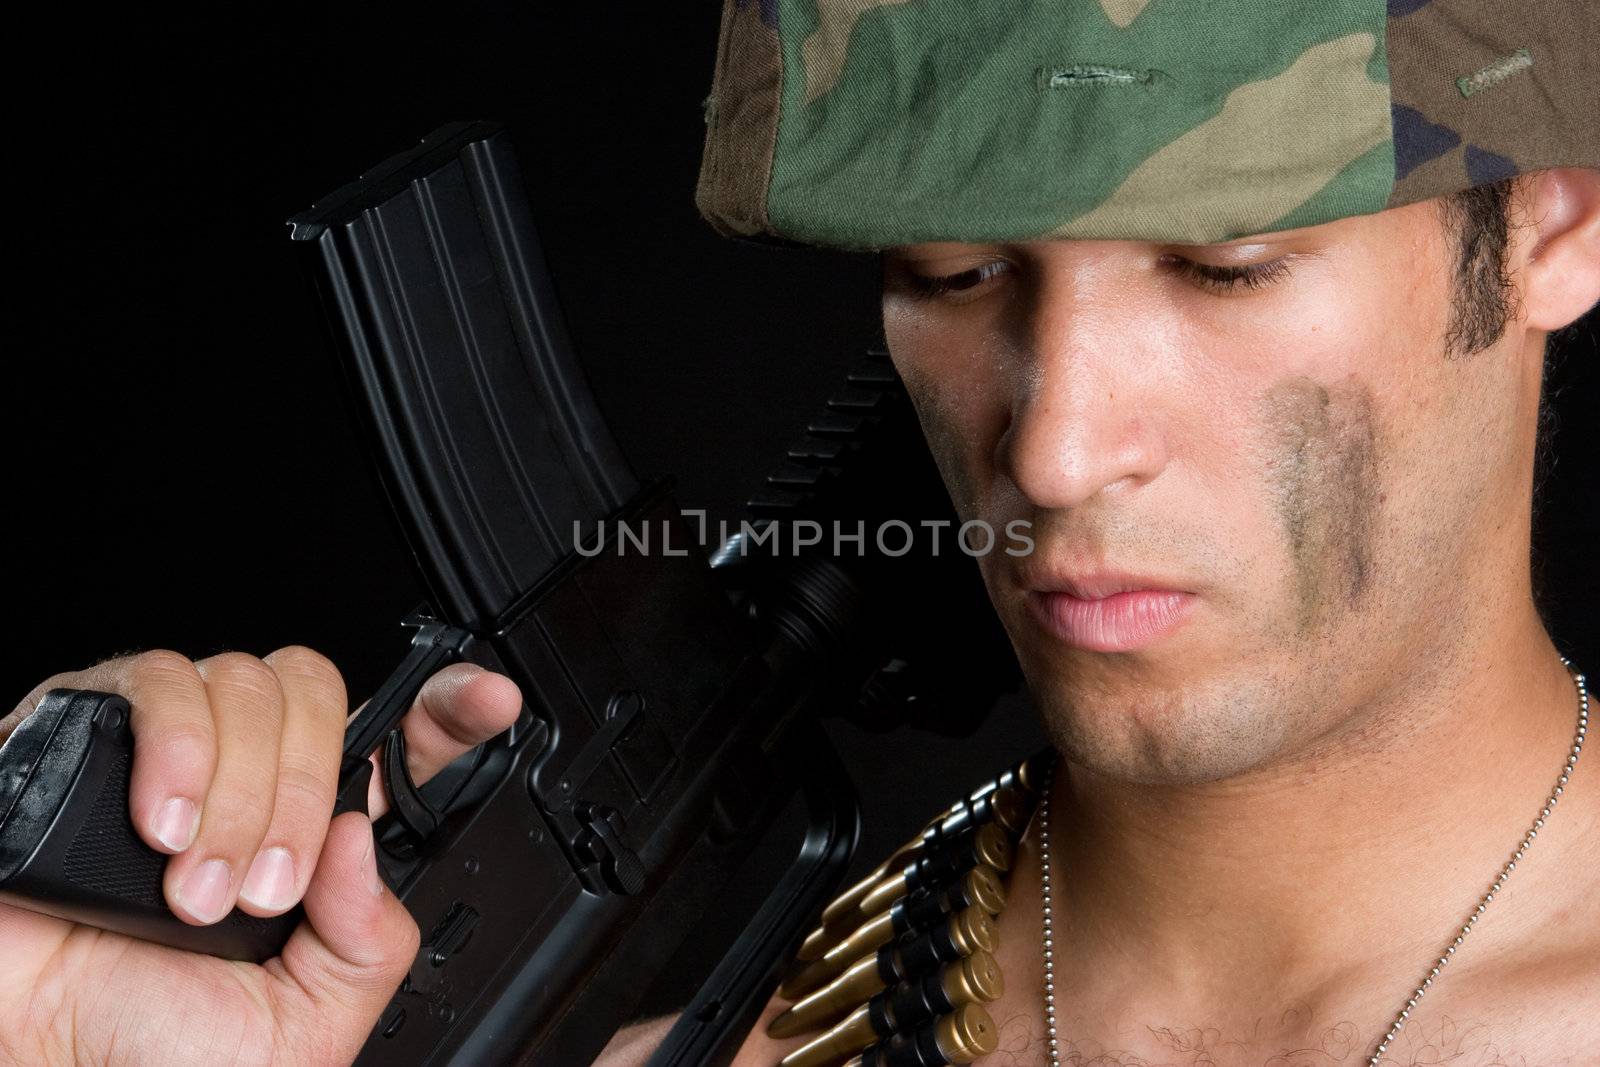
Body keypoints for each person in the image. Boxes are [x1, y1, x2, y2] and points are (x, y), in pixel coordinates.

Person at [4, 3, 1597, 1066]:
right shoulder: (766, 1031)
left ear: (1554, 217)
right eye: (952, 274)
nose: (1050, 445)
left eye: (1224, 265)